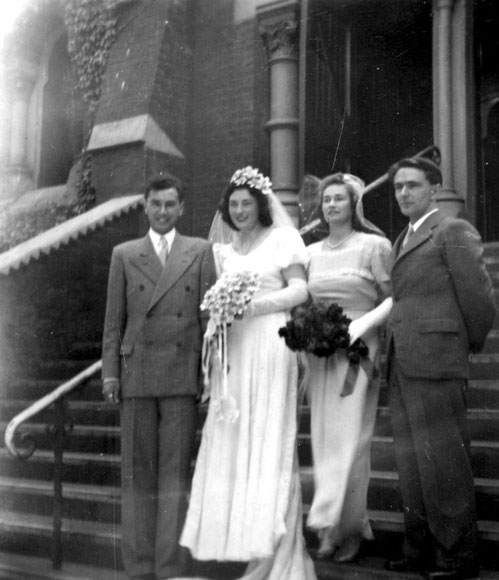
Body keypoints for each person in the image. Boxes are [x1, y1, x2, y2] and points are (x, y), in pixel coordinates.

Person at [180, 166, 317, 580]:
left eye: (247, 203)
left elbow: (300, 290)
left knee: (269, 438)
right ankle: (240, 542)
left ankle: (276, 552)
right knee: (235, 437)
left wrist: (254, 307)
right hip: (234, 349)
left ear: (261, 204)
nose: (240, 211)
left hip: (271, 342)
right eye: (234, 204)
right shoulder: (221, 251)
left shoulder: (283, 238)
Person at [384, 157, 496, 580]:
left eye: (413, 185)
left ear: (435, 188)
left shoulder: (451, 230)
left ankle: (456, 557)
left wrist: (456, 346)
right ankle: (420, 552)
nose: (404, 194)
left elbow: (479, 298)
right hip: (402, 364)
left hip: (436, 363)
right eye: (398, 187)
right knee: (412, 464)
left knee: (445, 464)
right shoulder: (405, 236)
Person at [101, 173, 217, 580]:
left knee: (173, 475)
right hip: (136, 374)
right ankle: (137, 566)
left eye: (171, 204)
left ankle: (168, 566)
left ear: (181, 208)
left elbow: (208, 321)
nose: (163, 211)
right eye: (156, 204)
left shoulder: (201, 251)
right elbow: (114, 322)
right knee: (136, 475)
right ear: (145, 207)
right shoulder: (124, 253)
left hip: (182, 375)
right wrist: (110, 375)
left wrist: (209, 374)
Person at [305, 173, 392, 563]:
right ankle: (327, 527)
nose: (332, 205)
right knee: (324, 439)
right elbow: (303, 300)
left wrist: (362, 326)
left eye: (339, 198)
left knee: (353, 439)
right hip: (321, 354)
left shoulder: (374, 246)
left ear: (354, 204)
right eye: (326, 200)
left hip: (360, 350)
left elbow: (394, 298)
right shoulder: (310, 253)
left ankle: (352, 527)